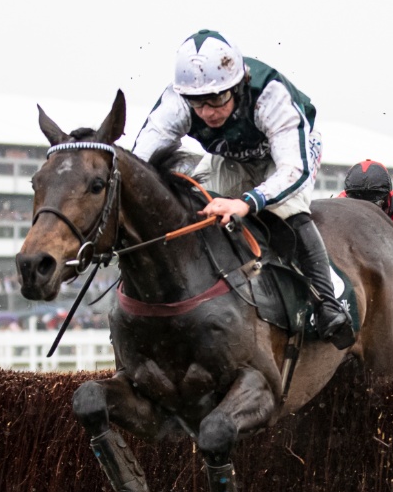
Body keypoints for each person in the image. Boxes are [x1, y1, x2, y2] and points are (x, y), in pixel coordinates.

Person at [132, 29, 353, 348]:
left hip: (287, 154)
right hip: (231, 155)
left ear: (238, 84)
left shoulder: (269, 95)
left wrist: (247, 202)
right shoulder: (177, 100)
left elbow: (293, 169)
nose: (207, 112)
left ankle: (327, 303)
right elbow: (140, 161)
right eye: (197, 103)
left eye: (217, 99)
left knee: (287, 209)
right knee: (194, 208)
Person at [338, 159, 393, 264]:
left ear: (387, 197)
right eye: (359, 204)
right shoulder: (338, 207)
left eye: (374, 204)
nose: (367, 211)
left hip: (387, 265)